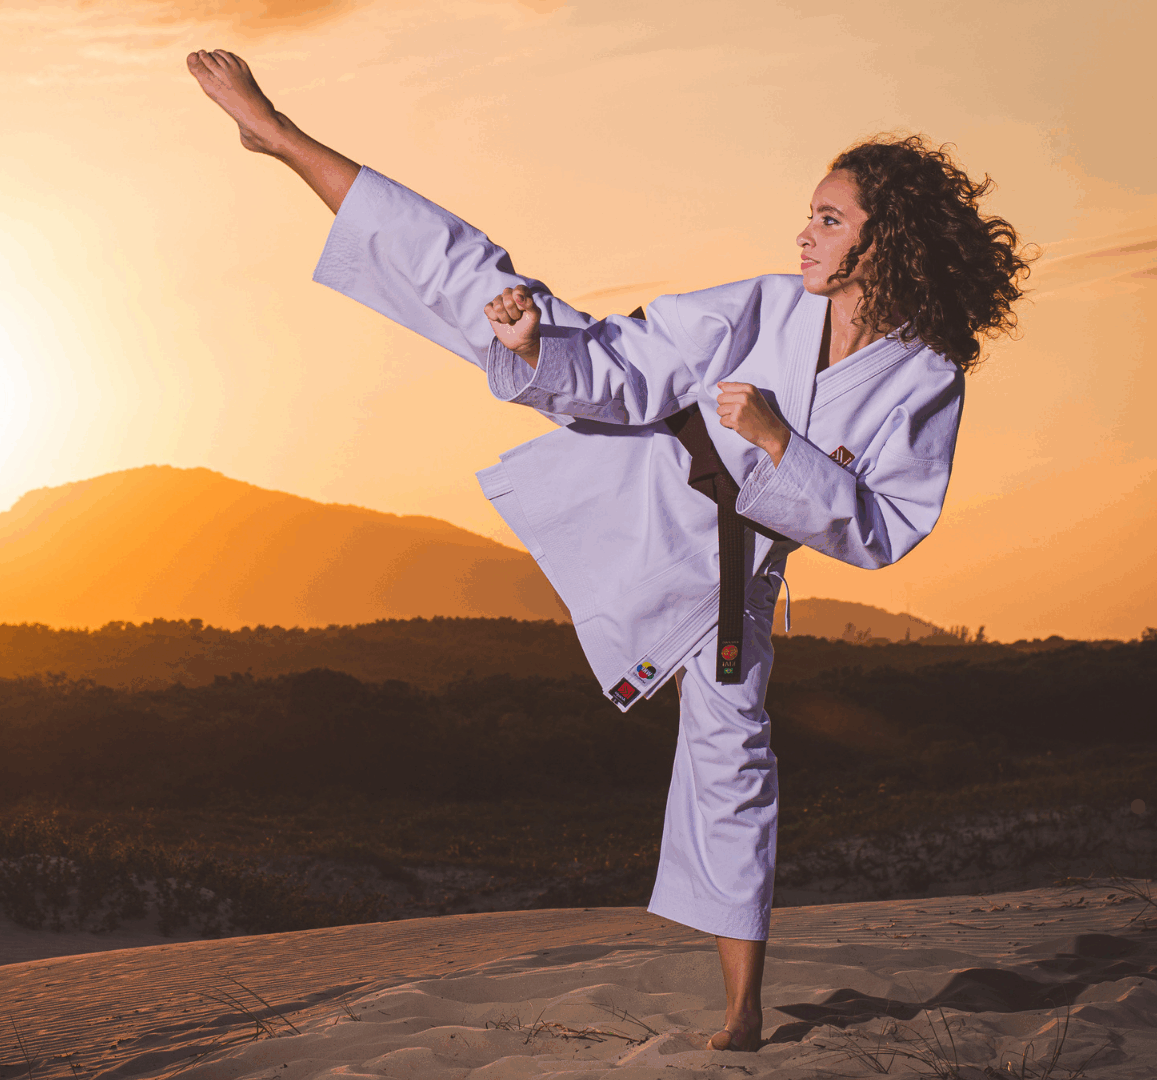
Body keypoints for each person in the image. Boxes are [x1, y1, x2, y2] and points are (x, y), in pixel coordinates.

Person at [186, 48, 1031, 1052]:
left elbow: (882, 531)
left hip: (734, 578)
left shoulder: (926, 379)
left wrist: (777, 443)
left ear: (886, 243)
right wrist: (537, 347)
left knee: (737, 763)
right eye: (810, 211)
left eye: (831, 218)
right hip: (641, 488)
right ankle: (279, 135)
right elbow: (634, 368)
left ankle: (740, 1014)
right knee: (490, 297)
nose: (804, 232)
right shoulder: (761, 307)